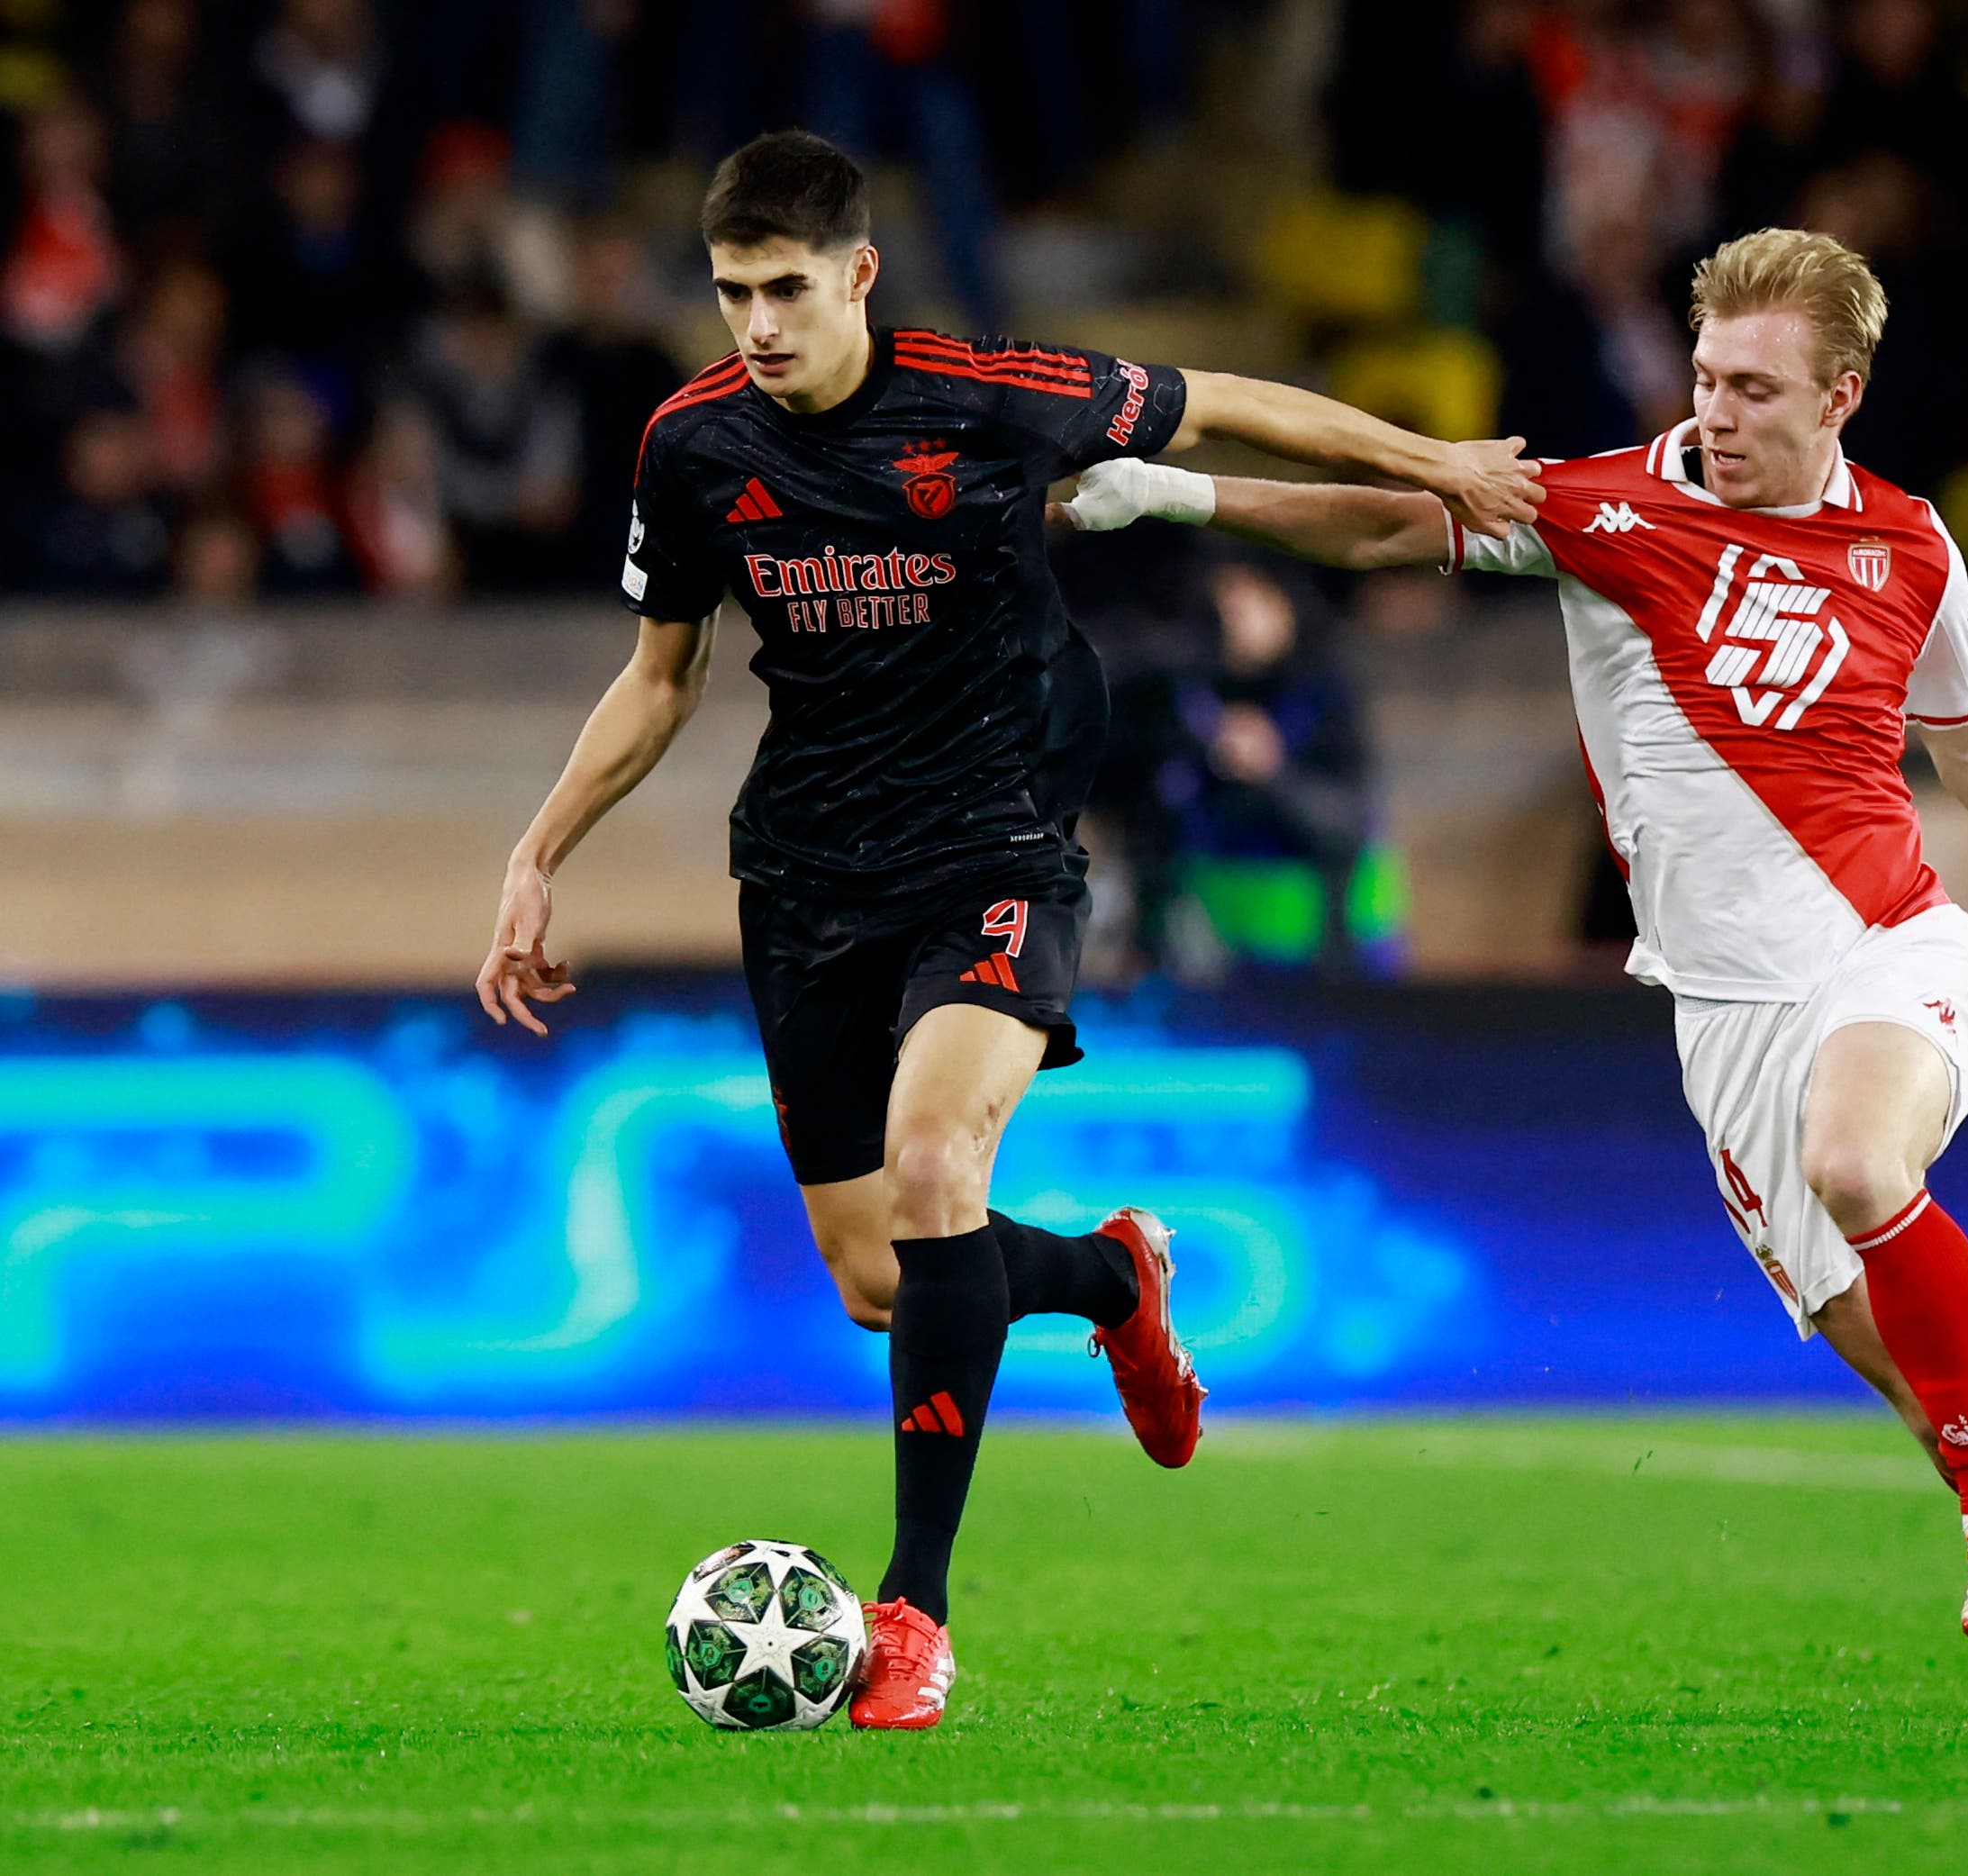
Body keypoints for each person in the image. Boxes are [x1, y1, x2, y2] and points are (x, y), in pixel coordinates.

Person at [1057, 227, 1968, 1725]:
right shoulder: (1607, 509)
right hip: (1722, 1020)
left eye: (1753, 388)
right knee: (1936, 1397)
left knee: (1860, 1159)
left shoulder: (1907, 547)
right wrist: (1170, 491)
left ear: (1840, 396)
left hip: (1888, 949)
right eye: (1704, 378)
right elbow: (1378, 527)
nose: (1716, 412)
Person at [473, 131, 1538, 1732]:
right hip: (807, 877)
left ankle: (913, 1613)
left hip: (996, 843)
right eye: (730, 292)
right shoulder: (690, 445)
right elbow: (660, 677)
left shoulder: (988, 390)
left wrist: (1432, 458)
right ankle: (1115, 1280)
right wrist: (537, 852)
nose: (756, 323)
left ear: (856, 275)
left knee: (932, 1178)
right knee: (877, 1279)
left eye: (783, 288)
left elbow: (1235, 398)